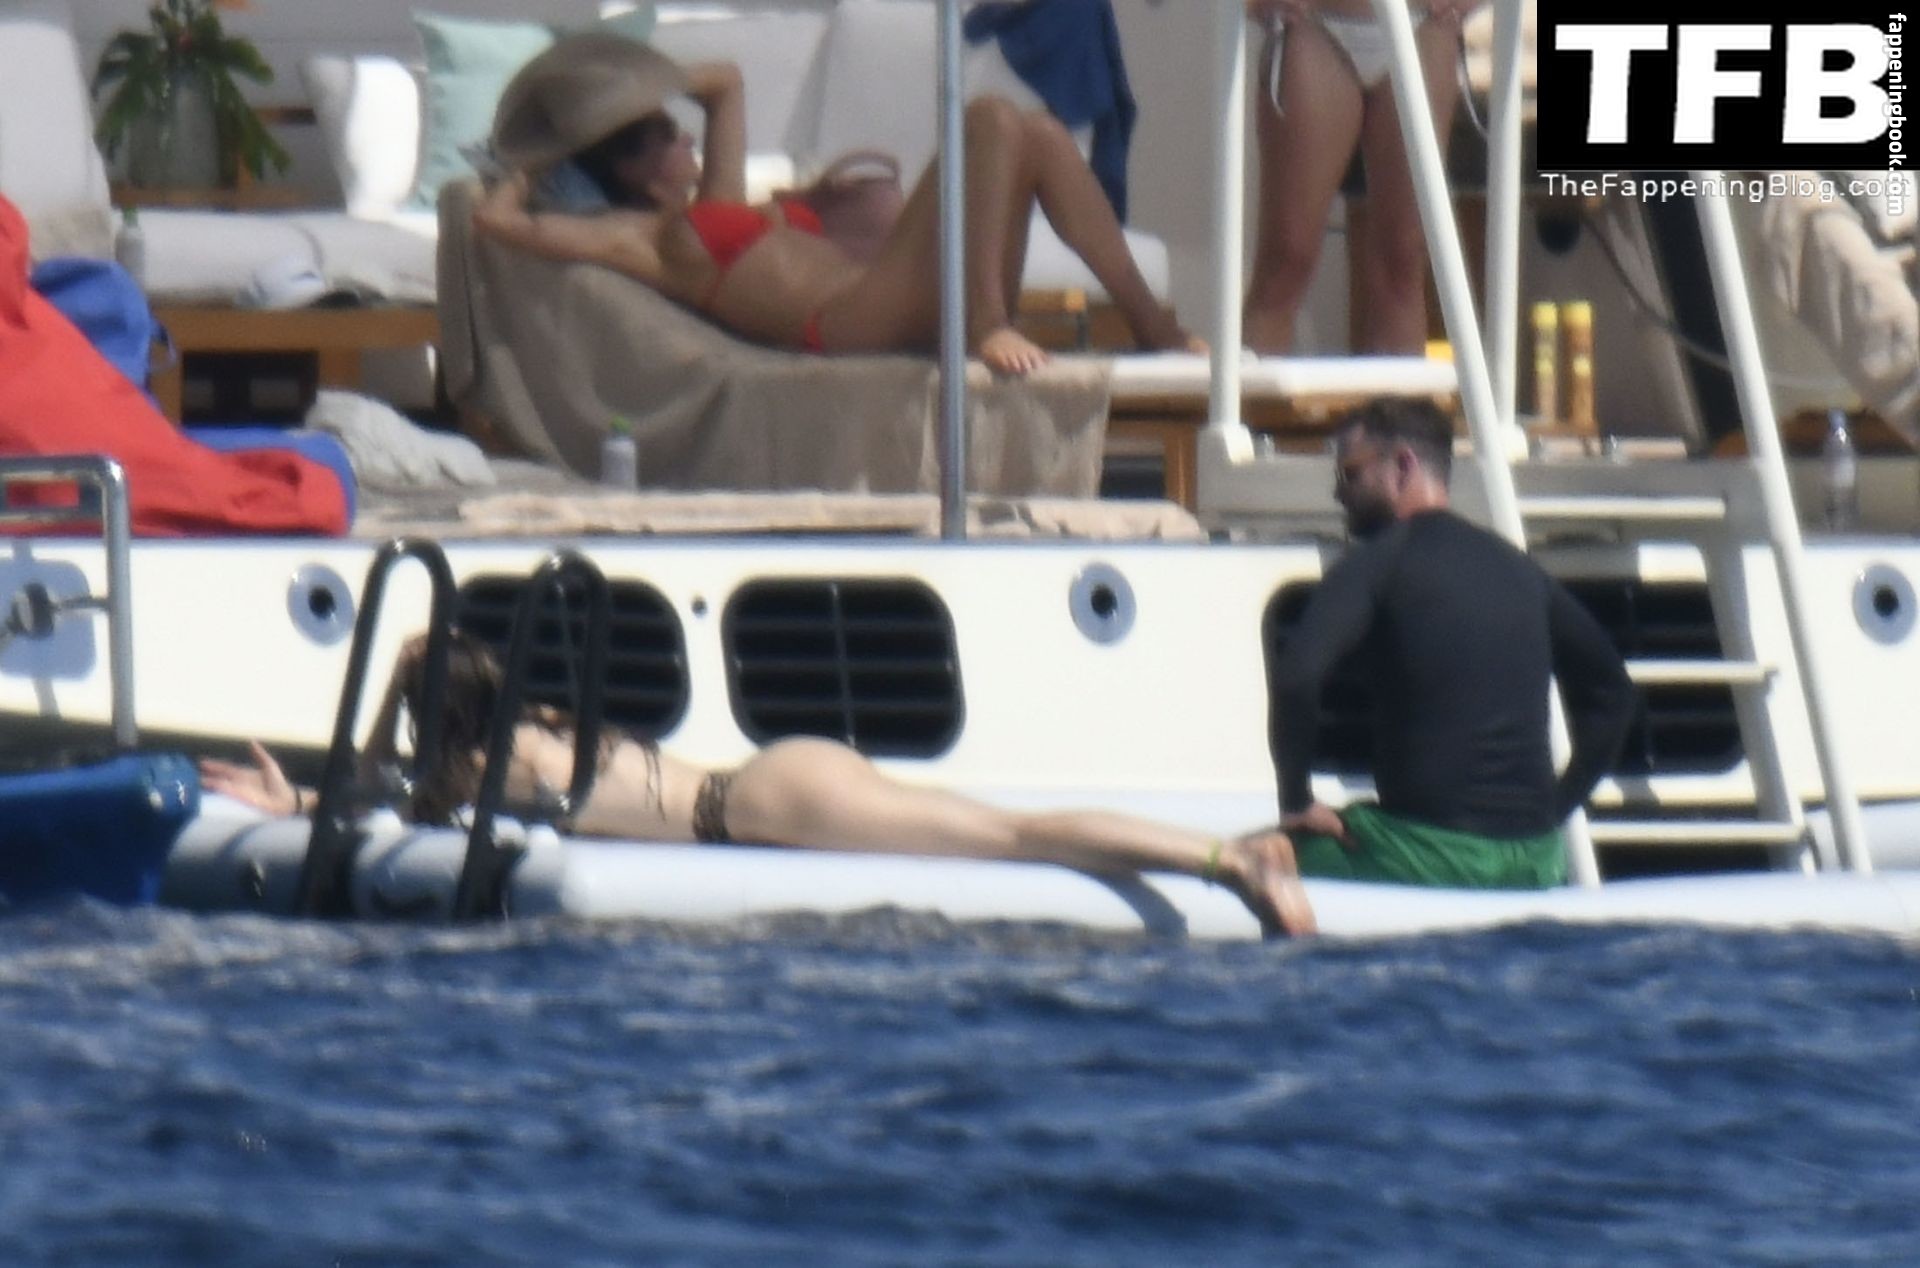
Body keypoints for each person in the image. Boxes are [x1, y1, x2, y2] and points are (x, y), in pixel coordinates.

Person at [199, 632, 1314, 936]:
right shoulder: (539, 732)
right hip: (773, 783)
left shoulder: (501, 764)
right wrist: (307, 798)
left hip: (768, 807)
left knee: (1017, 838)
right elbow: (411, 793)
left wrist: (301, 802)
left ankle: (1232, 860)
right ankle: (1248, 841)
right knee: (1004, 829)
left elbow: (408, 802)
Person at [471, 32, 1199, 377]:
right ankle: (987, 323)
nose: (687, 138)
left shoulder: (714, 202)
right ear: (627, 167)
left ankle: (1151, 324)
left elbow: (725, 81)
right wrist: (537, 155)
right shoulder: (642, 238)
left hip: (888, 296)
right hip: (848, 322)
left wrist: (636, 88)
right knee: (987, 119)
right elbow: (495, 220)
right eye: (665, 136)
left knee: (1032, 130)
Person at [1251, 396, 1636, 890]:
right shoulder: (1519, 569)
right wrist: (1557, 810)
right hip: (1537, 861)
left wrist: (1296, 800)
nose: (1339, 492)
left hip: (1427, 855)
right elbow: (1614, 695)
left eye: (1350, 472)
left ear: (1403, 466)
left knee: (1251, 858)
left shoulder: (1379, 563)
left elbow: (1297, 676)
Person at [1241, 0, 1480, 355]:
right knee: (1286, 261)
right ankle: (1247, 390)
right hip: (1317, 21)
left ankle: (1398, 394)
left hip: (1420, 22)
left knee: (1404, 259)